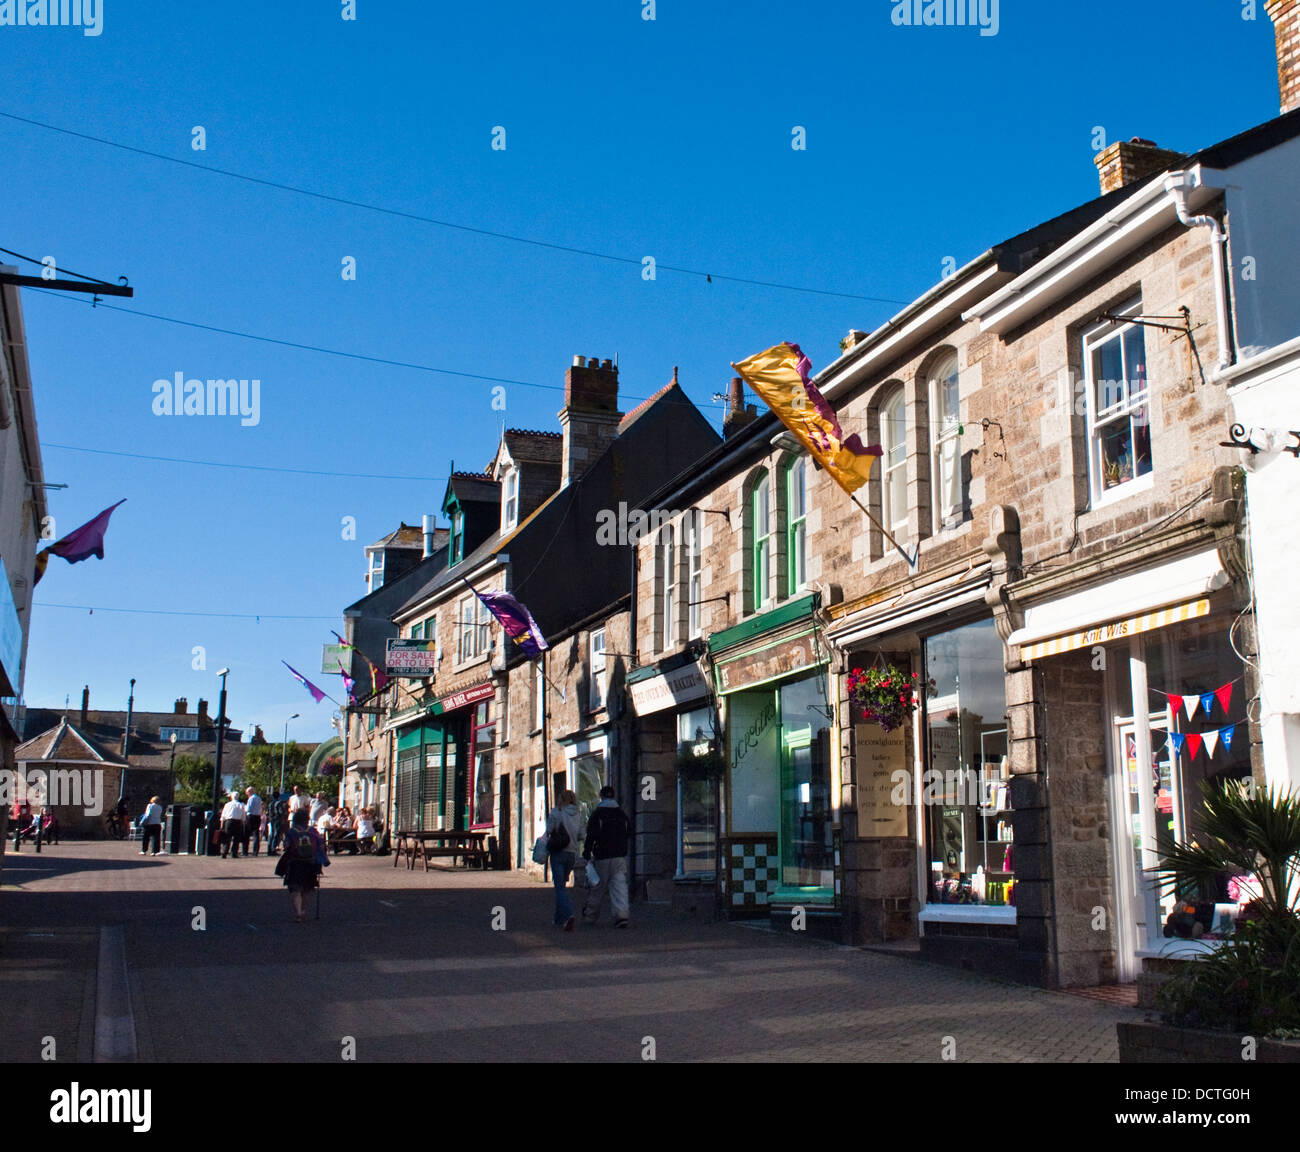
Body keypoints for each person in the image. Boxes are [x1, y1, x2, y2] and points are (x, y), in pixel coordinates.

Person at [582, 786, 632, 928]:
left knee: (598, 887)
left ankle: (590, 915)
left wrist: (587, 851)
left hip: (602, 855)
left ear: (601, 797)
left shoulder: (598, 814)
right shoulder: (621, 814)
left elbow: (591, 835)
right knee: (619, 886)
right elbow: (629, 832)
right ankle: (622, 914)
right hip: (619, 856)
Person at [276, 808, 328, 923]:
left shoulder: (292, 831)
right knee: (306, 888)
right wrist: (323, 861)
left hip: (295, 862)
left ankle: (298, 912)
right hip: (311, 863)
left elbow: (287, 846)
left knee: (295, 888)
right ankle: (303, 910)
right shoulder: (313, 831)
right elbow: (321, 846)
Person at [546, 788, 584, 931]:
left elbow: (549, 830)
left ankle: (568, 914)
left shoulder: (557, 812)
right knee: (561, 885)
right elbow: (581, 835)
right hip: (572, 854)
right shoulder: (578, 814)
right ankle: (558, 918)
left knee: (560, 888)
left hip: (558, 851)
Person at [220, 791, 247, 859]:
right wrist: (243, 822)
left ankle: (224, 852)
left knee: (227, 838)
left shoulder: (227, 804)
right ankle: (234, 853)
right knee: (236, 839)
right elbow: (243, 815)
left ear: (231, 797)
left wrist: (222, 825)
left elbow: (223, 815)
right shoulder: (241, 805)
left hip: (228, 821)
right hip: (238, 822)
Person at [244, 787, 264, 855]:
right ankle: (255, 851)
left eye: (247, 793)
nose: (247, 794)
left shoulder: (251, 798)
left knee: (247, 834)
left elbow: (248, 809)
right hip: (257, 816)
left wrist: (245, 808)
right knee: (256, 834)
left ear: (249, 792)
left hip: (250, 816)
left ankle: (245, 851)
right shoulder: (259, 798)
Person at [267, 789, 287, 854]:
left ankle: (269, 849)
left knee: (271, 834)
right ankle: (273, 849)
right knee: (276, 834)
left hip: (271, 819)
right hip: (277, 819)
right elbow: (281, 812)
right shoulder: (279, 803)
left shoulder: (270, 803)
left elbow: (268, 812)